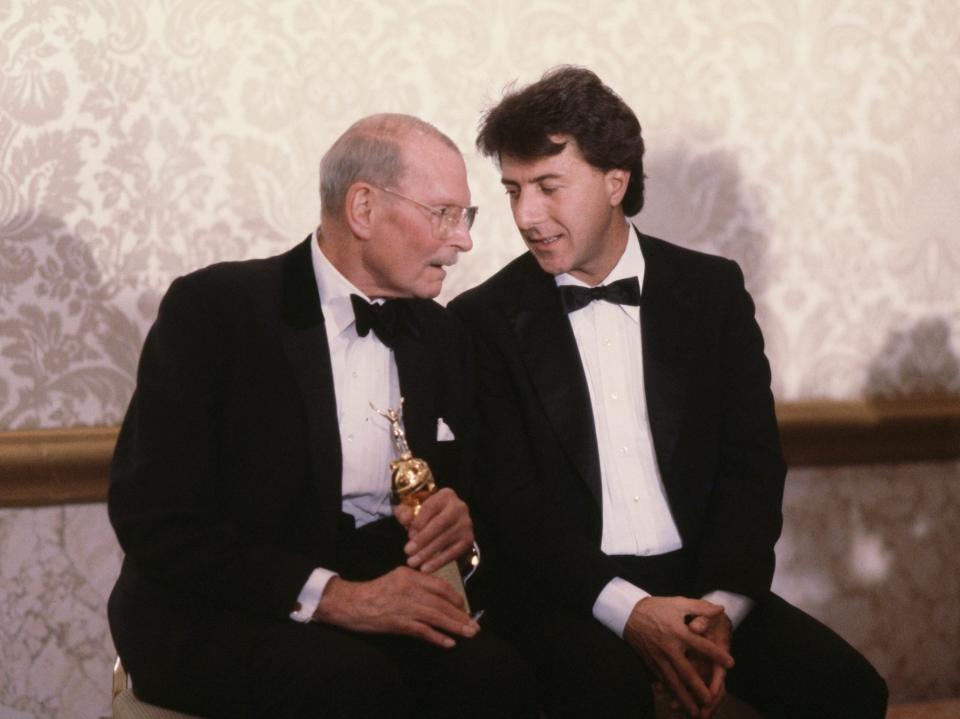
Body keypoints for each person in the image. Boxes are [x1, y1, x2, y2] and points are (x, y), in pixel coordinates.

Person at [450, 67, 888, 719]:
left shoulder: (711, 292)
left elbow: (752, 466)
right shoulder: (483, 318)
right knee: (609, 697)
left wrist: (723, 608)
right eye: (512, 190)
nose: (525, 215)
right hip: (569, 594)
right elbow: (512, 509)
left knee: (850, 690)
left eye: (547, 187)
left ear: (614, 180)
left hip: (703, 586)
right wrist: (630, 611)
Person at [108, 113, 538, 719]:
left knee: (498, 679)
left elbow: (477, 495)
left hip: (379, 595)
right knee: (351, 689)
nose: (463, 239)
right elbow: (155, 518)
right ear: (362, 208)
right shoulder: (216, 311)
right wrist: (333, 597)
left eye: (464, 217)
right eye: (442, 213)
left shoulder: (442, 335)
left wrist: (460, 524)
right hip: (218, 604)